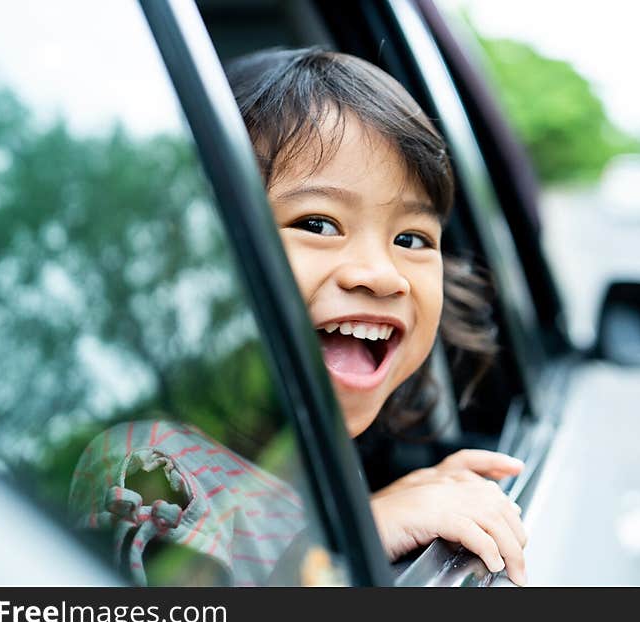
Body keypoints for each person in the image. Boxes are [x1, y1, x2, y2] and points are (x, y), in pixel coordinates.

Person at [226, 47, 528, 586]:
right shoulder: (150, 464)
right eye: (318, 224)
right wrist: (357, 533)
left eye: (411, 238)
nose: (382, 275)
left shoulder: (372, 448)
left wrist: (411, 493)